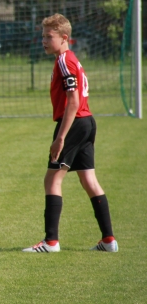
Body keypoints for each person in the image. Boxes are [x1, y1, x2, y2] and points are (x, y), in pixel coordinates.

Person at [22, 13, 118, 253]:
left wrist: (60, 137)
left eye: (49, 36)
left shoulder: (65, 61)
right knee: (89, 180)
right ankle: (109, 241)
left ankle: (51, 242)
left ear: (64, 38)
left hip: (74, 123)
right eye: (43, 36)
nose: (44, 40)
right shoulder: (69, 59)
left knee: (52, 179)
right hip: (86, 122)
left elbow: (73, 102)